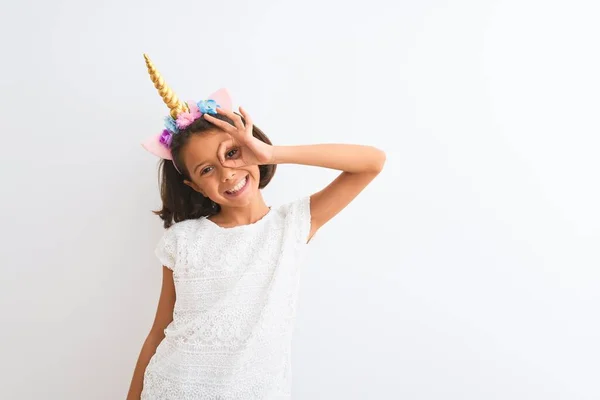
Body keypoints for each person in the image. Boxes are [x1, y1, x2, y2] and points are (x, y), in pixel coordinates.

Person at [127, 54, 386, 400]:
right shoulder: (183, 241)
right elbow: (159, 331)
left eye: (232, 153)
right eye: (206, 170)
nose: (228, 173)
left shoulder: (291, 225)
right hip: (174, 388)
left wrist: (272, 152)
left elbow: (372, 163)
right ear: (193, 186)